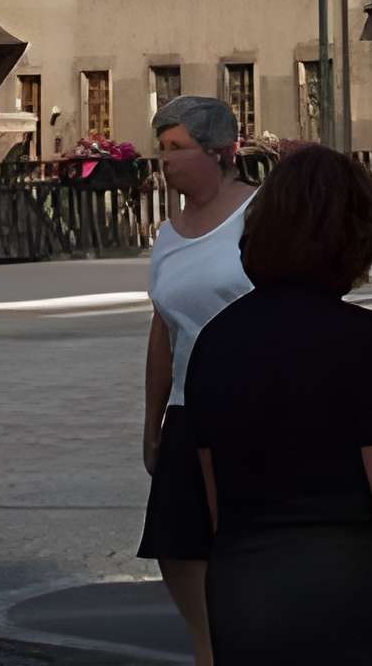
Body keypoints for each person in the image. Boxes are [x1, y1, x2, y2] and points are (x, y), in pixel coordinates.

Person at [183, 144, 372, 666]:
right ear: (355, 235)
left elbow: (216, 505)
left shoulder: (213, 343)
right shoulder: (367, 342)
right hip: (350, 598)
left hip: (244, 598)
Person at [138, 95, 257, 666]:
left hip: (255, 412)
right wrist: (152, 422)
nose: (165, 160)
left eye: (176, 149)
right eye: (161, 149)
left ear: (218, 152)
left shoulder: (258, 218)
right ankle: (209, 649)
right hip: (189, 412)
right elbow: (162, 331)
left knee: (248, 550)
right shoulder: (168, 235)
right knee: (179, 550)